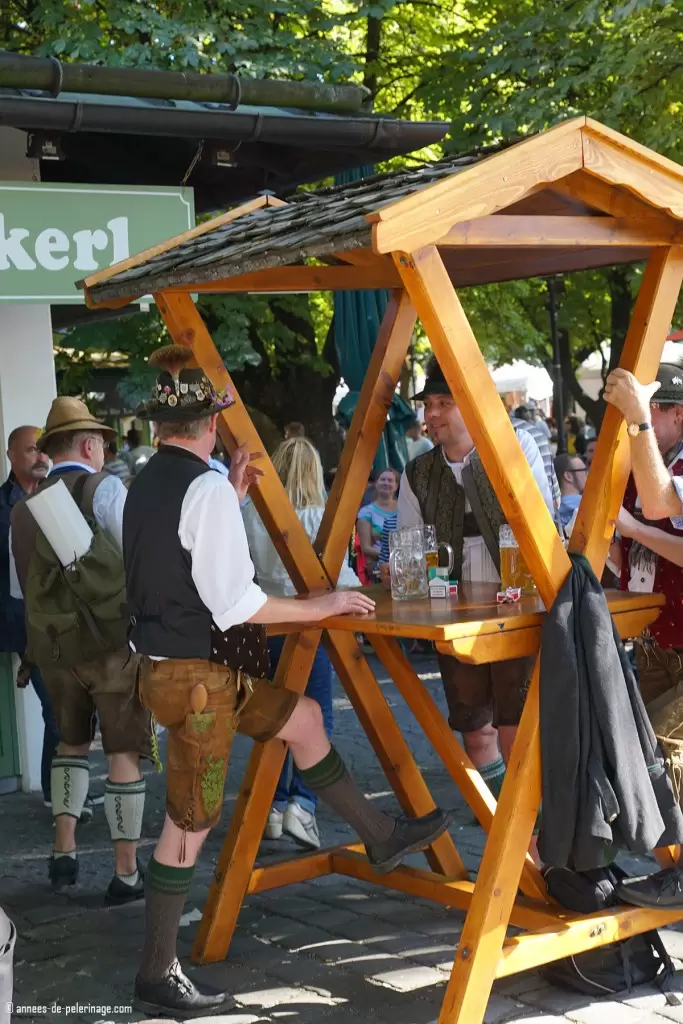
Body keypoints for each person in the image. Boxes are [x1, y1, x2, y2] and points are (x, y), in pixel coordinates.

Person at [123, 345, 451, 1017]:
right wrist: (322, 605)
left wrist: (232, 493)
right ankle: (157, 971)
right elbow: (234, 605)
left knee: (301, 717)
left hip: (177, 672)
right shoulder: (205, 488)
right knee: (189, 824)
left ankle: (381, 837)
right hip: (201, 685)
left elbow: (183, 558)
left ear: (161, 427)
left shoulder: (150, 481)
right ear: (211, 424)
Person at [398, 357, 553, 821]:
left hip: (518, 607)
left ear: (473, 404)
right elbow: (407, 541)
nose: (433, 413)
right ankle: (507, 825)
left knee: (514, 726)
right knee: (475, 729)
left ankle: (530, 832)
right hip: (455, 615)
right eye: (429, 403)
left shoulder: (513, 446)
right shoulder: (417, 472)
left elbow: (541, 523)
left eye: (445, 402)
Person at [11, 398, 150, 903]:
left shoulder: (24, 509)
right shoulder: (104, 487)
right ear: (89, 444)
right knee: (122, 752)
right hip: (112, 646)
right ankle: (126, 871)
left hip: (52, 650)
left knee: (69, 745)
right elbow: (140, 556)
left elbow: (20, 589)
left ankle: (64, 853)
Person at [243, 437, 360, 850]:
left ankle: (272, 807)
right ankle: (302, 805)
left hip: (267, 622)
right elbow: (341, 579)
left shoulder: (250, 514)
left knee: (277, 718)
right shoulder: (321, 518)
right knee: (317, 718)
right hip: (310, 626)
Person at [601, 362, 683, 909]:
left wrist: (631, 530)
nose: (643, 417)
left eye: (654, 408)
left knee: (660, 752)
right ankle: (672, 873)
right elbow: (627, 558)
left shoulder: (656, 462)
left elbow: (660, 511)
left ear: (678, 414)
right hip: (657, 641)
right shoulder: (639, 462)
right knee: (640, 756)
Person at [0, 427, 60, 810]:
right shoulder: (2, 505)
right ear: (10, 456)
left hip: (60, 625)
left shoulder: (58, 498)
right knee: (57, 707)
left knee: (65, 708)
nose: (40, 456)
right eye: (31, 450)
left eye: (43, 450)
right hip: (22, 624)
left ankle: (61, 793)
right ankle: (60, 797)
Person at [357, 468, 400, 583]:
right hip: (379, 564)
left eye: (390, 480)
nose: (386, 483)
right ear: (376, 483)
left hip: (403, 560)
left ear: (396, 486)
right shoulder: (366, 512)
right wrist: (393, 557)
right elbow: (365, 548)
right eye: (382, 479)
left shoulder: (405, 508)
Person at [555, 452, 588, 529]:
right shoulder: (590, 504)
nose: (588, 474)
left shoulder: (550, 510)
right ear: (568, 476)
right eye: (584, 470)